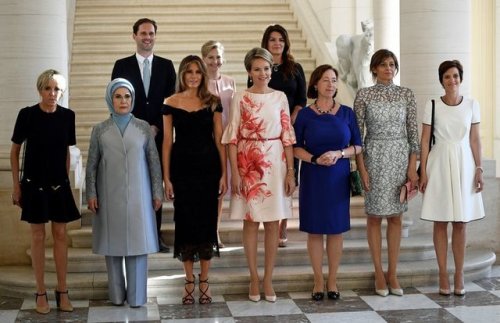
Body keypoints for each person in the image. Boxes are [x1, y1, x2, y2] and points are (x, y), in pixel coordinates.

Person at [223, 47, 296, 302]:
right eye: (257, 69)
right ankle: (254, 277)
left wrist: (290, 173)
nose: (263, 73)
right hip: (248, 161)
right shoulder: (240, 97)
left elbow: (288, 137)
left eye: (266, 68)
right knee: (251, 221)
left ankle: (268, 279)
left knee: (274, 222)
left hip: (276, 162)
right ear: (249, 72)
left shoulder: (280, 97)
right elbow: (231, 138)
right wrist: (236, 173)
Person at [86, 78, 163, 307]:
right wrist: (91, 193)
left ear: (133, 99)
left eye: (127, 96)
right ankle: (117, 296)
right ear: (111, 99)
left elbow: (153, 162)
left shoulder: (143, 128)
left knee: (138, 247)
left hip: (139, 196)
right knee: (113, 247)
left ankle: (138, 297)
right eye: (118, 96)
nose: (123, 101)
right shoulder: (99, 130)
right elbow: (91, 165)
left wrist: (157, 192)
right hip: (109, 196)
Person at [10, 69, 80, 314]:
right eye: (48, 88)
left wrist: (66, 179)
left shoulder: (67, 116)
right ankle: (41, 293)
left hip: (59, 184)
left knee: (60, 235)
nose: (52, 94)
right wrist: (16, 186)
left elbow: (66, 152)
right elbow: (14, 151)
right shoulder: (27, 115)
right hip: (32, 184)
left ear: (62, 92)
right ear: (40, 89)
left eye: (57, 89)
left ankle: (63, 292)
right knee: (38, 236)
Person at [354, 49, 419, 297]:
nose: (388, 68)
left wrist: (412, 166)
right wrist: (361, 169)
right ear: (374, 69)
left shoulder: (406, 94)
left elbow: (413, 134)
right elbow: (357, 137)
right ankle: (378, 272)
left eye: (392, 64)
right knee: (374, 217)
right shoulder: (364, 95)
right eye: (383, 64)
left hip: (400, 158)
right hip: (374, 158)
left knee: (396, 217)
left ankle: (393, 272)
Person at [294, 65, 362, 301]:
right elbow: (295, 148)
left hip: (337, 176)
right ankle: (318, 281)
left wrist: (339, 154)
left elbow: (358, 145)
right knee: (314, 231)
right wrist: (313, 158)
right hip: (313, 176)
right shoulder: (304, 114)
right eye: (326, 80)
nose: (331, 84)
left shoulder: (347, 113)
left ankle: (332, 280)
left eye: (334, 80)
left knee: (335, 230)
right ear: (315, 84)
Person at [162, 55, 227, 305]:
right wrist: (167, 178)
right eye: (188, 71)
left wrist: (224, 174)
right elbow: (167, 142)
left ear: (203, 74)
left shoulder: (213, 102)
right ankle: (189, 280)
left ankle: (205, 280)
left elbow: (220, 139)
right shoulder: (170, 102)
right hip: (182, 170)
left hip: (209, 170)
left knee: (207, 225)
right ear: (182, 74)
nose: (193, 76)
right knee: (186, 224)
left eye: (197, 72)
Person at [419, 60, 485, 297]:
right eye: (447, 76)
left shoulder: (472, 104)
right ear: (441, 80)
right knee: (440, 220)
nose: (452, 80)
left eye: (455, 76)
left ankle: (459, 272)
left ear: (461, 78)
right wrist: (423, 171)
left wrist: (479, 168)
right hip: (438, 162)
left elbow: (475, 139)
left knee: (460, 222)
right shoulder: (433, 104)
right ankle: (443, 273)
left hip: (465, 163)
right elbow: (425, 140)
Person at [111, 17, 176, 253]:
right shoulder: (121, 65)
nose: (147, 37)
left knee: (155, 185)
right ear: (134, 36)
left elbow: (171, 101)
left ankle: (154, 235)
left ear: (155, 36)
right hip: (129, 135)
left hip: (159, 137)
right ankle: (133, 234)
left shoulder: (167, 66)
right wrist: (136, 126)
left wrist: (157, 126)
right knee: (131, 185)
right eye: (143, 33)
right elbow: (116, 99)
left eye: (151, 34)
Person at [252, 24, 306, 248]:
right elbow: (253, 97)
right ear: (266, 42)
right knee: (266, 177)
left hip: (289, 130)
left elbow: (302, 98)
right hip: (265, 133)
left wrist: (292, 114)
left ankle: (283, 223)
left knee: (287, 176)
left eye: (281, 40)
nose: (277, 43)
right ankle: (267, 218)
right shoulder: (260, 67)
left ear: (285, 43)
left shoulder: (295, 68)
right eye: (273, 39)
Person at [201, 40, 236, 248]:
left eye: (218, 57)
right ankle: (204, 230)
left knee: (220, 190)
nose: (215, 61)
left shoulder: (230, 82)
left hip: (225, 140)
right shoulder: (198, 82)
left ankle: (215, 232)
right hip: (205, 140)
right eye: (211, 57)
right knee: (206, 189)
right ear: (204, 58)